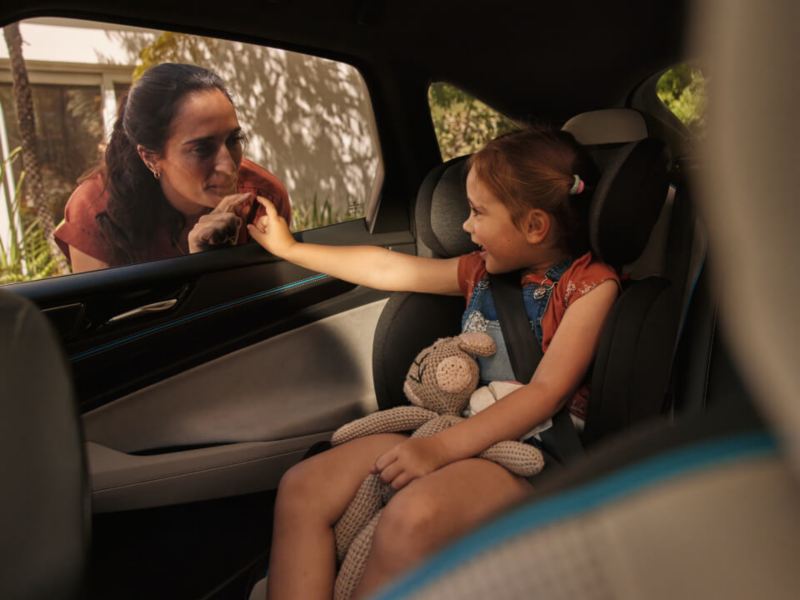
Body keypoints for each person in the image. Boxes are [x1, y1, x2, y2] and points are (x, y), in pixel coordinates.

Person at [248, 128, 620, 599]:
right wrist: (291, 250)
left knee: (412, 516)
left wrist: (439, 450)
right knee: (303, 485)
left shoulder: (590, 286)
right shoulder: (480, 273)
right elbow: (387, 269)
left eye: (478, 212)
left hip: (535, 458)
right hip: (456, 429)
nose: (465, 226)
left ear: (534, 226)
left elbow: (546, 392)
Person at [53, 63, 291, 273]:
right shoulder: (98, 207)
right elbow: (105, 317)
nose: (229, 167)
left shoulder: (262, 198)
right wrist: (199, 265)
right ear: (150, 157)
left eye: (233, 140)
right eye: (202, 149)